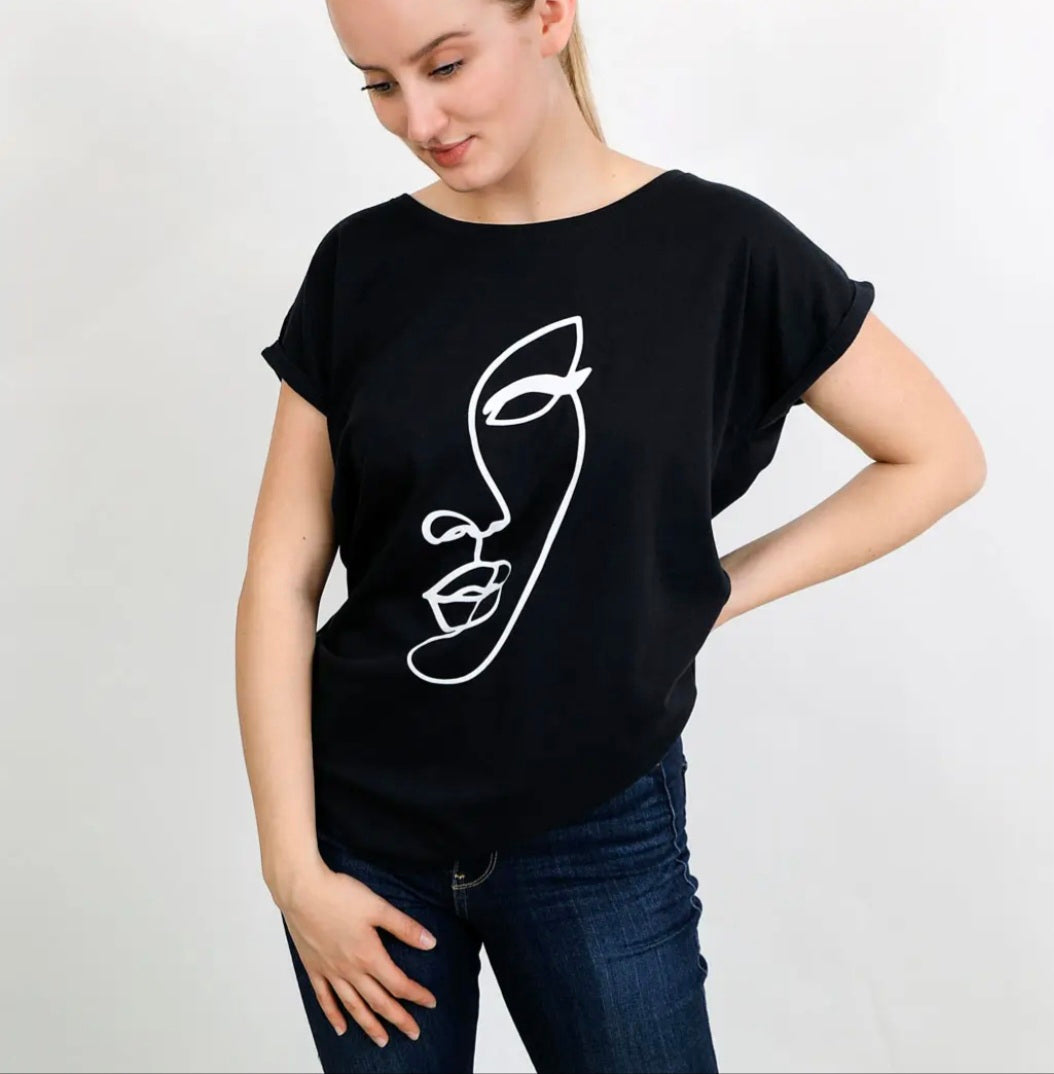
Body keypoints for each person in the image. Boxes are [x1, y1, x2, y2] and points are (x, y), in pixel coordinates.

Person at [234, 1, 987, 1071]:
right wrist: (294, 873)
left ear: (546, 15)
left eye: (445, 65)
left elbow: (936, 457)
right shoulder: (360, 265)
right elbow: (279, 579)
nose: (418, 119)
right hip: (362, 839)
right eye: (379, 84)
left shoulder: (720, 250)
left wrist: (708, 593)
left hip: (596, 832)